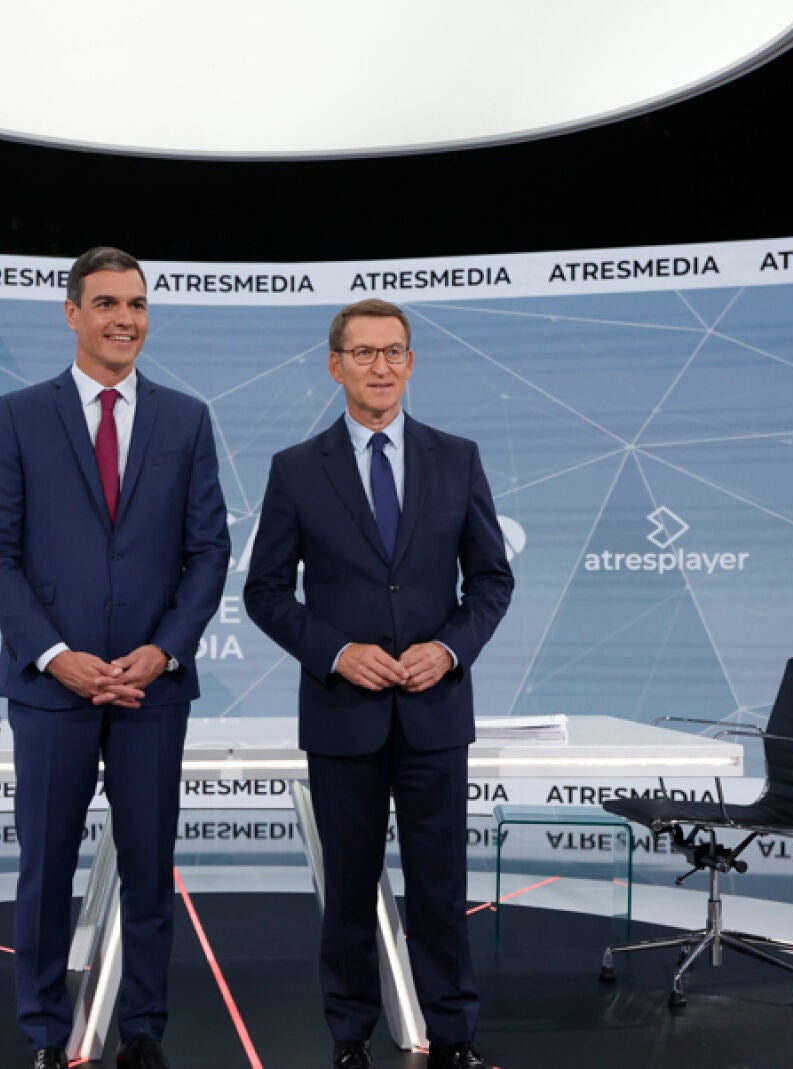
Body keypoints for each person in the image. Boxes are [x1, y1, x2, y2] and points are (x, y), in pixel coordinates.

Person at [0, 247, 230, 1069]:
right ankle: (47, 1033)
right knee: (46, 868)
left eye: (138, 304)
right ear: (72, 312)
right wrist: (55, 655)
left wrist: (164, 650)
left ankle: (143, 1028)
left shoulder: (187, 418)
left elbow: (209, 552)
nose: (126, 319)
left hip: (153, 689)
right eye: (109, 302)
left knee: (150, 868)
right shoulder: (18, 415)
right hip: (52, 690)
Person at [244, 298, 514, 1069]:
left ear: (411, 361)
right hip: (344, 713)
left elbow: (491, 580)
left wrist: (449, 650)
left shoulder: (457, 458)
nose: (381, 366)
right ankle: (350, 1037)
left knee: (441, 886)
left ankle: (454, 1037)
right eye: (363, 352)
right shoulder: (297, 469)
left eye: (394, 351)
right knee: (350, 889)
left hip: (435, 712)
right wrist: (336, 652)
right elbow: (265, 592)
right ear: (336, 366)